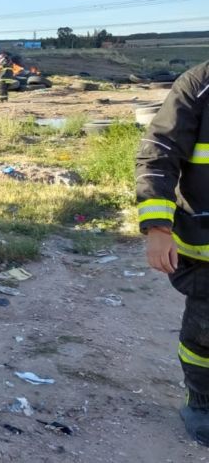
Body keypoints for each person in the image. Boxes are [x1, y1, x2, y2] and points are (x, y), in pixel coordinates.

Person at [137, 61, 209, 445]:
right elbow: (158, 155)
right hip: (205, 247)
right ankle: (201, 403)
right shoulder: (199, 84)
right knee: (205, 335)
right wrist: (158, 229)